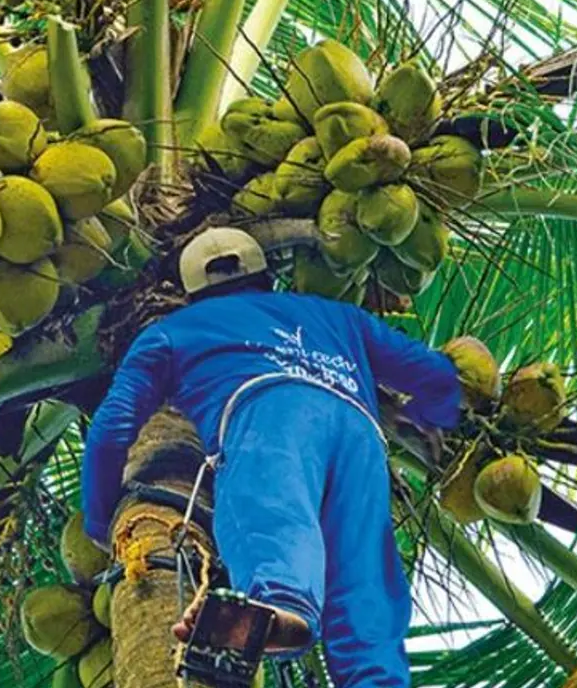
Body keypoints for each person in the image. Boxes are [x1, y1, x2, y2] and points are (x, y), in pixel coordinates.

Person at [80, 227, 463, 687]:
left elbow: (114, 425)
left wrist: (101, 519)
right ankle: (375, 678)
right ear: (266, 278)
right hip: (359, 433)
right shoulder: (339, 318)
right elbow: (439, 375)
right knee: (364, 573)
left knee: (271, 513)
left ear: (191, 294)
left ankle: (279, 606)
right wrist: (428, 416)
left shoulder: (173, 331)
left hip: (266, 413)